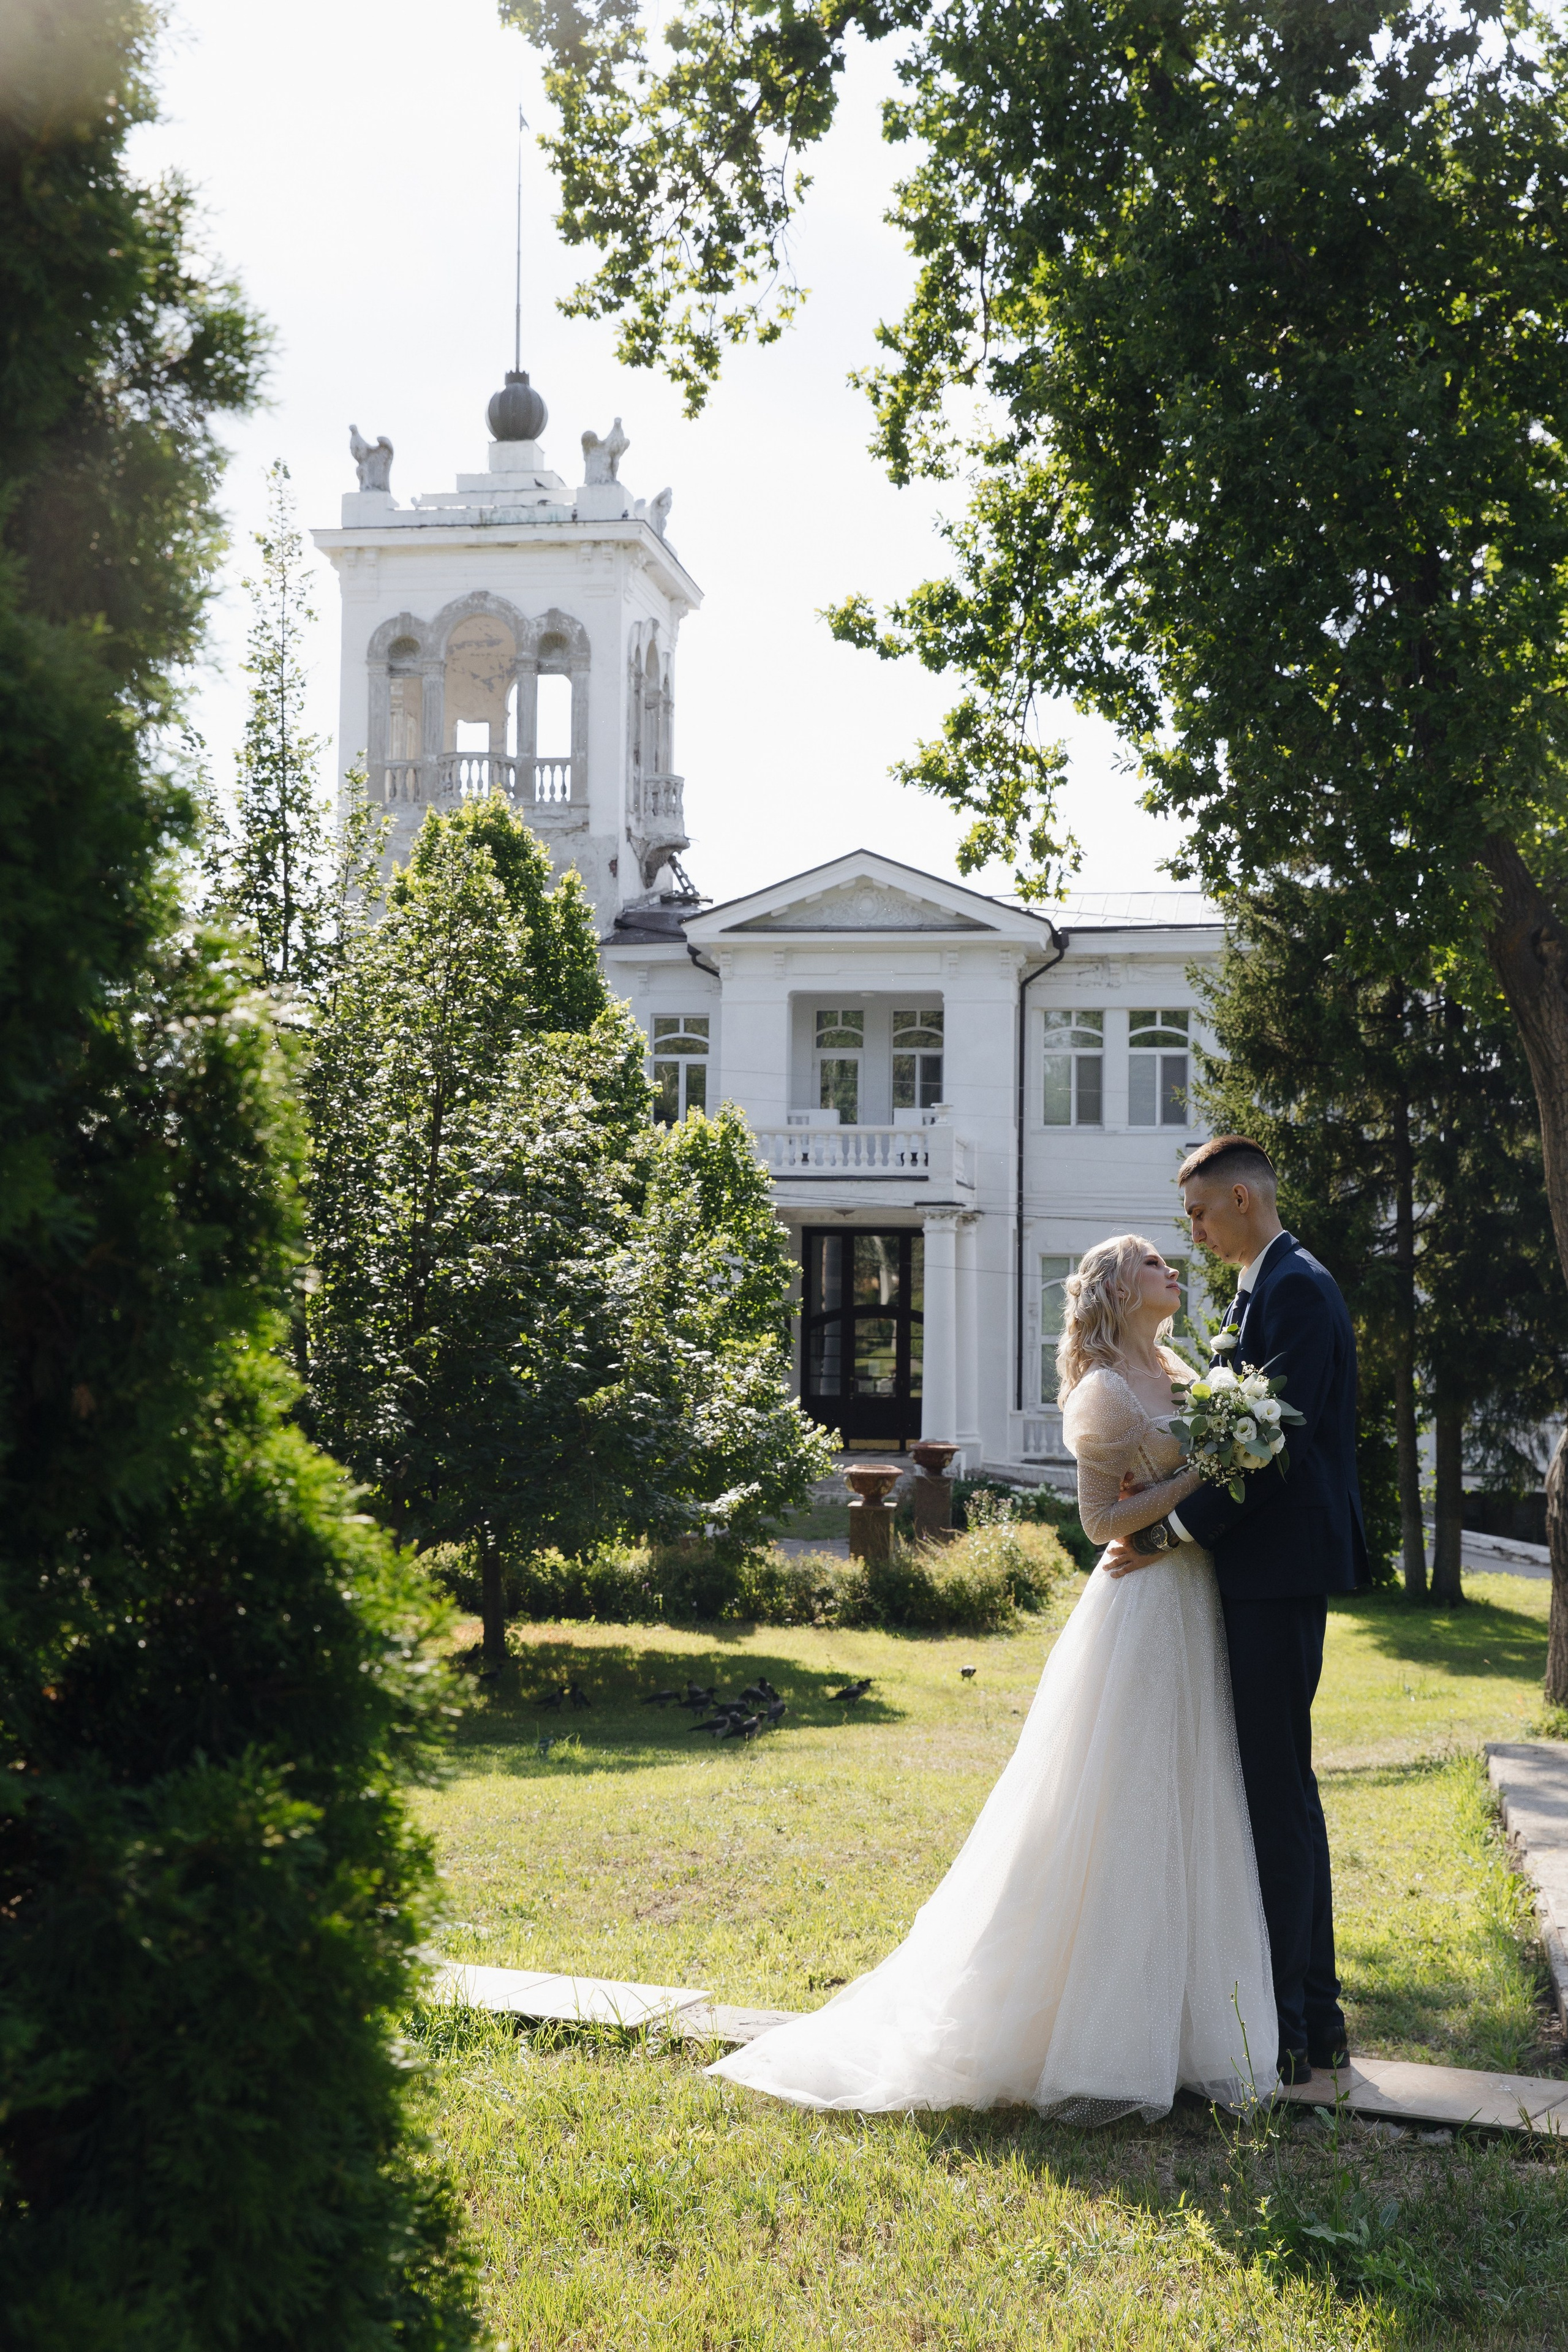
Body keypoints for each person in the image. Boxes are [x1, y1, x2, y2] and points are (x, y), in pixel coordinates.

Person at [707, 1234, 1276, 2122]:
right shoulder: (1106, 1394)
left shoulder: (1183, 1367)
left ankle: (1189, 2034)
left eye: (1172, 1261)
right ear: (1120, 1290)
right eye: (1155, 1263)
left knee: (1192, 1804)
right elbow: (1099, 1523)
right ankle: (1105, 2040)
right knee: (1125, 1813)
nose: (1173, 1270)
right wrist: (1198, 1475)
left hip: (1193, 1603)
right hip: (1139, 1616)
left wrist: (1219, 1462)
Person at [1101, 1136, 1366, 2084]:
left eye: (1202, 1216)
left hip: (1279, 1568)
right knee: (1277, 1789)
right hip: (1262, 1570)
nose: (1196, 1233)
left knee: (1276, 1793)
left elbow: (1266, 1449)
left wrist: (1167, 1535)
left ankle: (1293, 2025)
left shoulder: (1295, 1288)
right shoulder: (1264, 1286)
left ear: (1246, 1201)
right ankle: (1311, 2016)